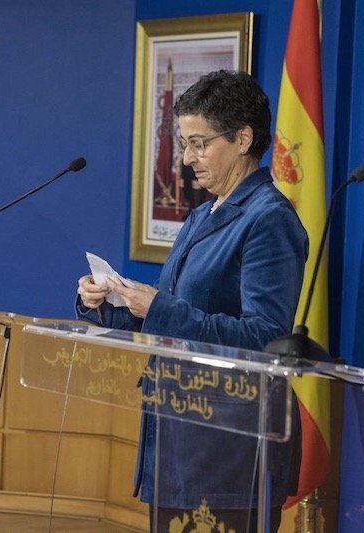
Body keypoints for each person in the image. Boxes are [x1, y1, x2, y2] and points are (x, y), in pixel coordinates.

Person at [76, 70, 307, 531]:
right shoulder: (203, 213)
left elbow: (266, 338)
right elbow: (173, 319)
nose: (187, 159)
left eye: (199, 144)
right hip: (178, 435)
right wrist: (107, 302)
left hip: (230, 450)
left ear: (243, 139)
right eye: (184, 144)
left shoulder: (268, 219)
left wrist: (159, 308)